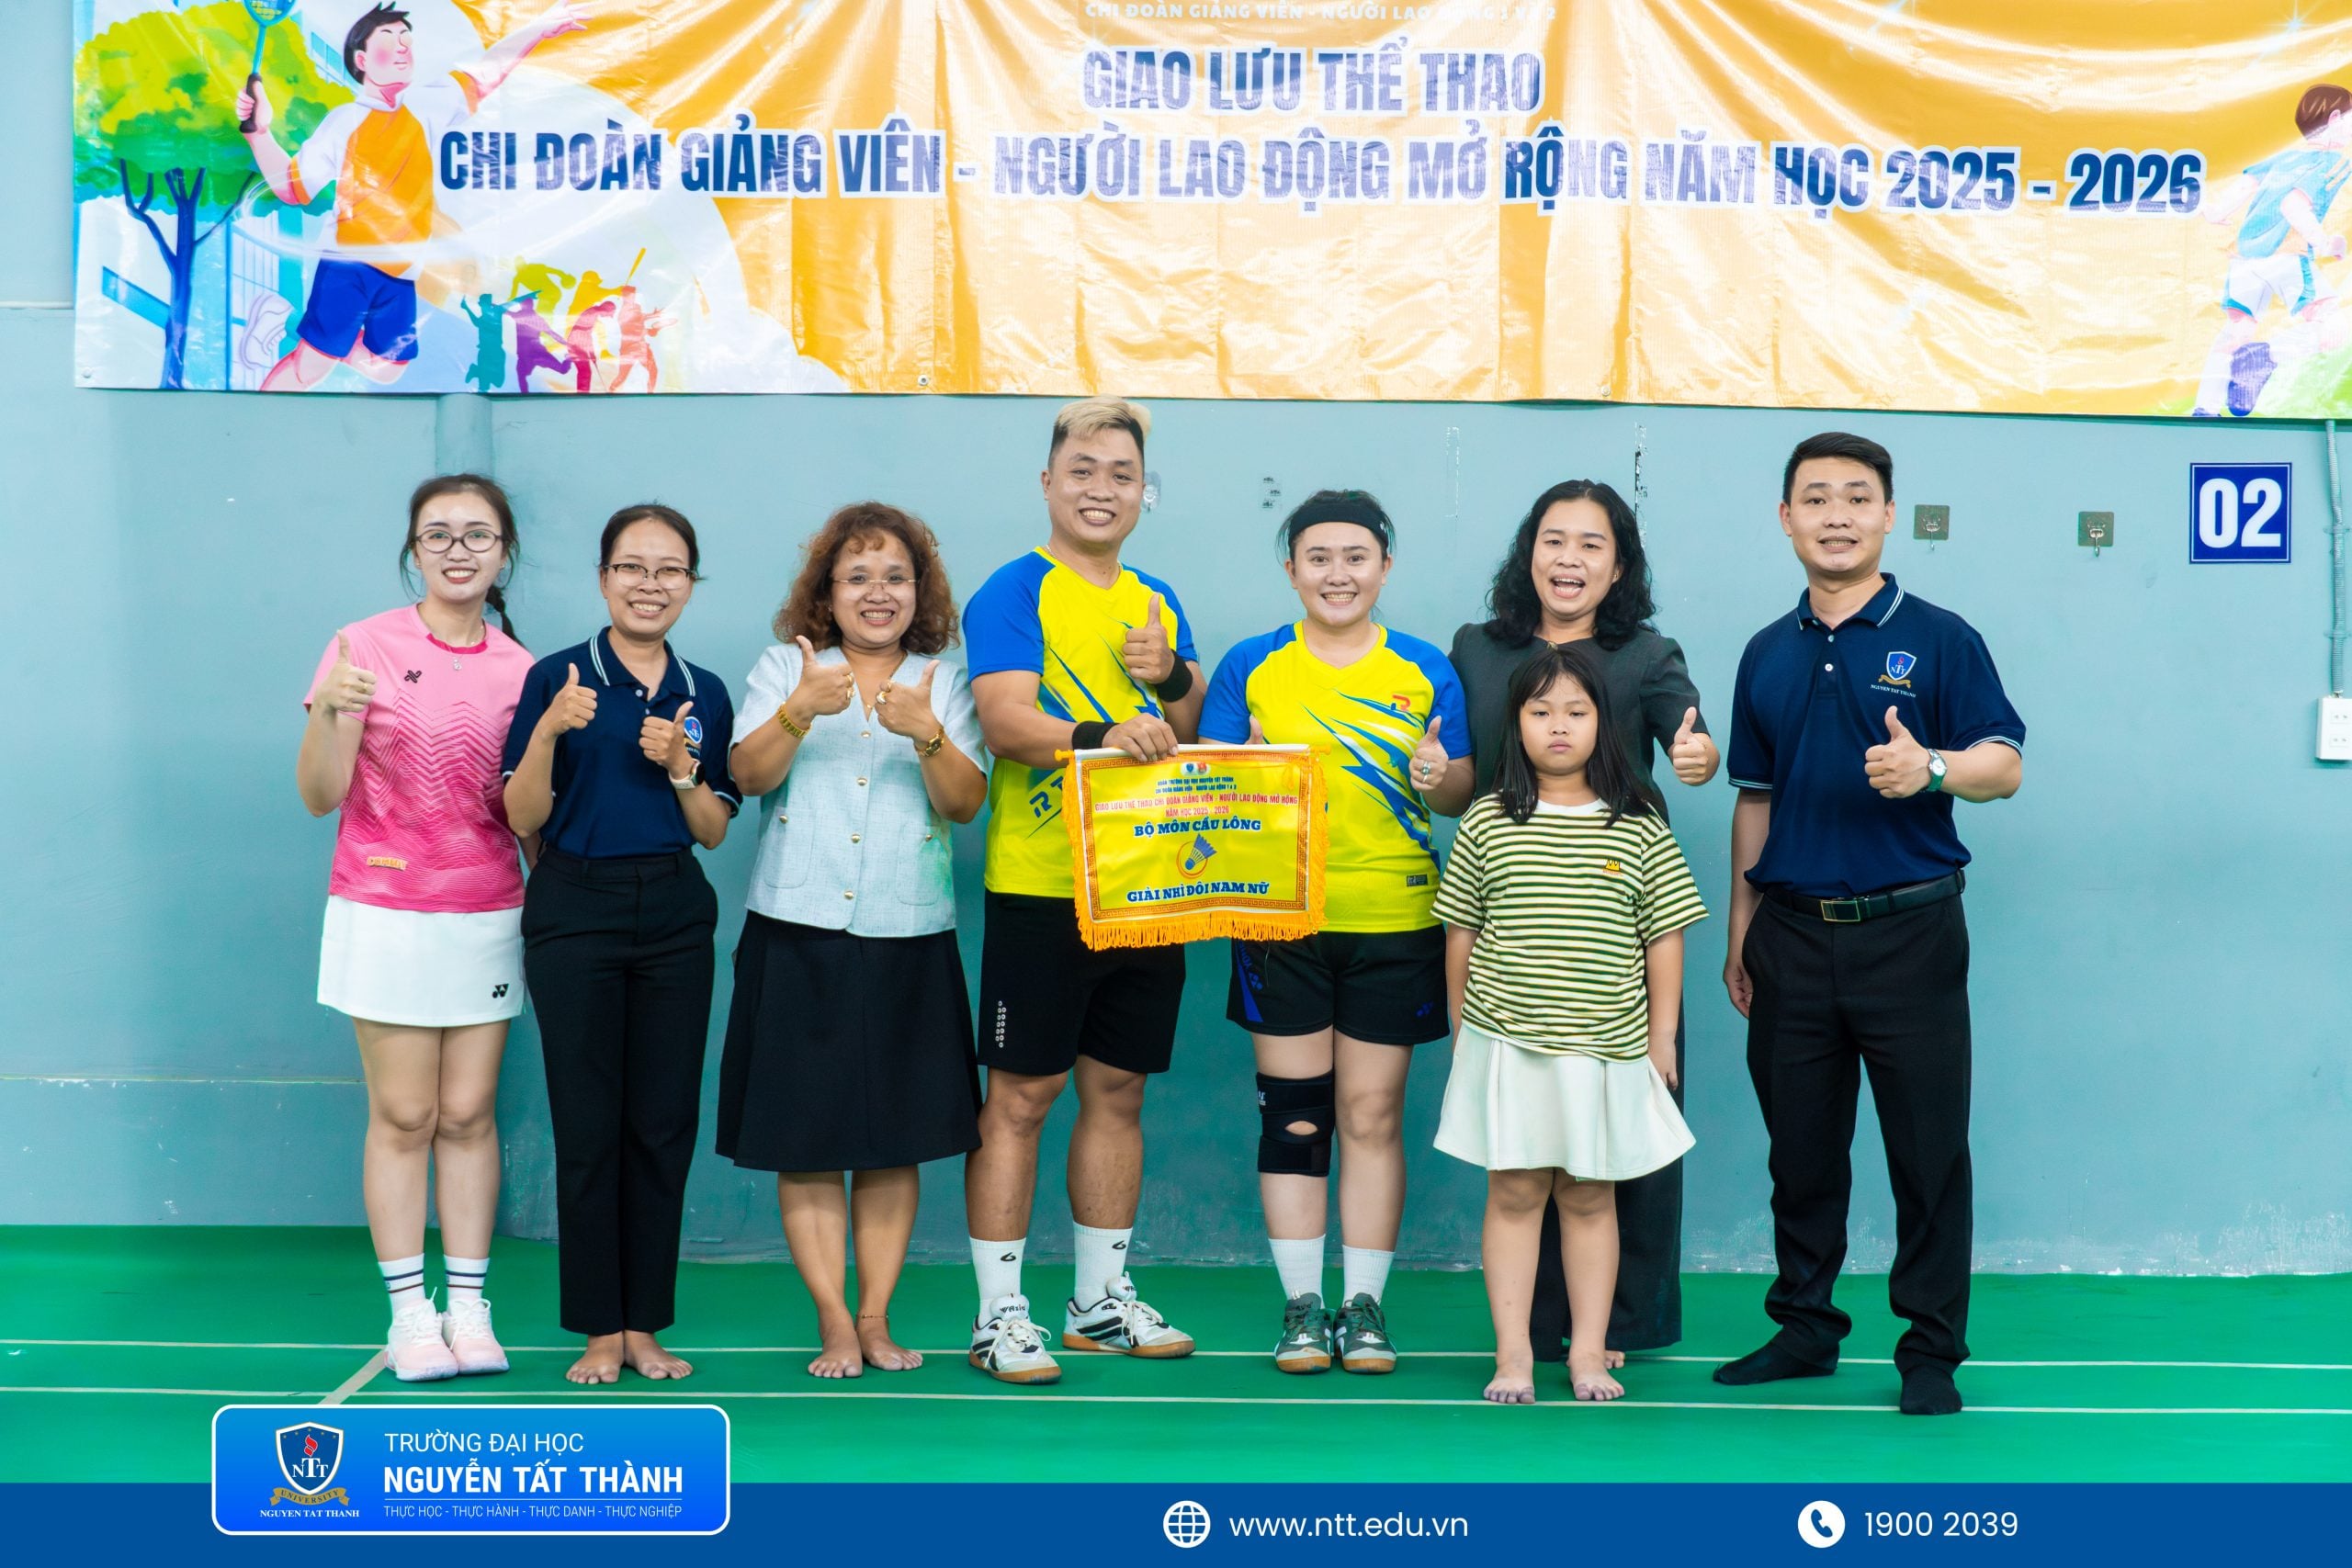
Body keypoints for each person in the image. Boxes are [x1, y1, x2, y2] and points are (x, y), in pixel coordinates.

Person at [1717, 432, 2024, 1417]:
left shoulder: (1940, 638)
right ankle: (1805, 1327)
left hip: (1910, 935)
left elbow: (2003, 765)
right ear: (1786, 519)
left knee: (1927, 1156)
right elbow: (1755, 798)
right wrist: (1741, 927)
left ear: (1888, 515)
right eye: (1815, 498)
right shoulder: (1765, 652)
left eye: (1856, 497)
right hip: (1791, 935)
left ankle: (1930, 1351)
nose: (1836, 515)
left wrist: (1930, 767)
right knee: (1800, 1153)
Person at [1196, 491, 1471, 1375]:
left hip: (1396, 918)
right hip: (1280, 922)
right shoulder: (1251, 664)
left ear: (1384, 568)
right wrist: (1240, 769)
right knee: (1296, 1116)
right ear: (1292, 570)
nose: (1338, 573)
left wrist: (1436, 773)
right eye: (1319, 557)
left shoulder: (1425, 665)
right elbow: (1203, 792)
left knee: (1372, 1113)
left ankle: (1364, 1308)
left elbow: (1459, 789)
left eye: (1356, 557)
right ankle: (1303, 1309)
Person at [960, 397, 1204, 1383]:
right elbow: (1006, 722)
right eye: (1084, 470)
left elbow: (1190, 723)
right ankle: (998, 1316)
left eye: (1121, 474)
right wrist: (1105, 734)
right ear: (1049, 482)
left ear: (1144, 491)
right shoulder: (1012, 590)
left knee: (1119, 1090)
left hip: (1144, 885)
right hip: (1042, 886)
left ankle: (1099, 1303)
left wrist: (1171, 671)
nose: (1102, 489)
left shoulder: (1156, 598)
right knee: (1022, 1098)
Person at [717, 503, 989, 1380]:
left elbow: (965, 803)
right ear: (827, 592)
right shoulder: (784, 667)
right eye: (858, 576)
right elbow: (745, 773)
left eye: (897, 576)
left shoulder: (944, 681)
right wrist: (800, 711)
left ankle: (875, 1316)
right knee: (805, 1140)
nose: (879, 592)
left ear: (921, 591)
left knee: (893, 1140)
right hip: (795, 932)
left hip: (908, 932)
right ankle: (833, 1320)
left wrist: (928, 732)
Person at [1450, 479, 1716, 1367]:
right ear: (1528, 551)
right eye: (1554, 539)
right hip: (1514, 938)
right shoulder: (1477, 648)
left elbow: (1690, 737)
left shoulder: (1646, 653)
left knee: (1617, 1157)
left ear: (1620, 564)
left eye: (1592, 544)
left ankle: (1612, 1332)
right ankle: (1524, 1336)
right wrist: (1432, 775)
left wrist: (1696, 752)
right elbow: (1458, 777)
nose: (1570, 558)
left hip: (1610, 938)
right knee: (1521, 1165)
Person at [296, 474, 533, 1382]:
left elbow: (523, 812)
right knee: (404, 1113)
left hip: (485, 910)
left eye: (477, 534)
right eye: (439, 534)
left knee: (467, 1114)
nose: (458, 550)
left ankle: (469, 1310)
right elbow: (319, 794)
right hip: (383, 909)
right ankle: (409, 1317)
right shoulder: (360, 646)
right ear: (415, 549)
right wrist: (331, 710)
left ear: (503, 551)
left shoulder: (521, 669)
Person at [501, 503, 741, 1385]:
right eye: (632, 567)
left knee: (663, 1123)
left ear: (690, 584)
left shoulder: (705, 690)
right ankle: (599, 1328)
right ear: (604, 578)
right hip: (574, 902)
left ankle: (645, 1325)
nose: (650, 584)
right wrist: (548, 730)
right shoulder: (557, 676)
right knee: (588, 1121)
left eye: (670, 569)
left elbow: (712, 828)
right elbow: (519, 814)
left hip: (674, 907)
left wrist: (681, 768)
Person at [235, 3, 587, 390]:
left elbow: (486, 74)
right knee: (311, 368)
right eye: (389, 37)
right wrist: (258, 132)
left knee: (388, 369)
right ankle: (260, 416)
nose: (403, 46)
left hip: (402, 271)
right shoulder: (344, 121)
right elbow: (290, 188)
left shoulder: (429, 106)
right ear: (362, 60)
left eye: (407, 37)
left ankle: (286, 319)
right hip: (349, 265)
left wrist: (537, 30)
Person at [2191, 84, 2352, 418]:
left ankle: (2205, 407)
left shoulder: (2283, 156)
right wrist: (2324, 243)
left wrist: (2216, 212)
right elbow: (2293, 206)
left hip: (2245, 258)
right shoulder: (2333, 162)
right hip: (2287, 256)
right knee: (2333, 325)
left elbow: (2243, 188)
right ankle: (2267, 355)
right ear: (2336, 118)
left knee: (2236, 331)